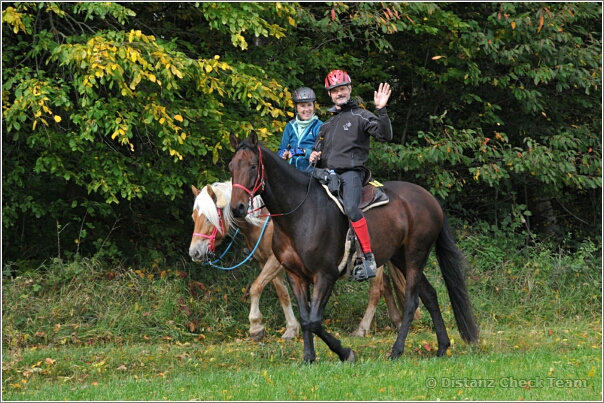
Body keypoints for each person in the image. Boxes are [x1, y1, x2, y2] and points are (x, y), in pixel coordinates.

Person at [309, 69, 393, 281]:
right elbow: (319, 151)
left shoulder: (361, 116)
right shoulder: (326, 125)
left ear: (350, 89)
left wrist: (381, 110)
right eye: (335, 90)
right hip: (326, 175)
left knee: (351, 208)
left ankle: (367, 259)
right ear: (330, 94)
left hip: (351, 174)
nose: (339, 93)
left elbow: (384, 135)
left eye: (343, 89)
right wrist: (314, 156)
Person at [277, 87, 323, 172]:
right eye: (302, 106)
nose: (307, 109)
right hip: (292, 172)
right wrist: (282, 154)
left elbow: (322, 153)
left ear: (313, 106)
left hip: (311, 172)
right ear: (296, 108)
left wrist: (303, 151)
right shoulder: (290, 126)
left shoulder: (319, 126)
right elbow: (282, 149)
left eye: (309, 105)